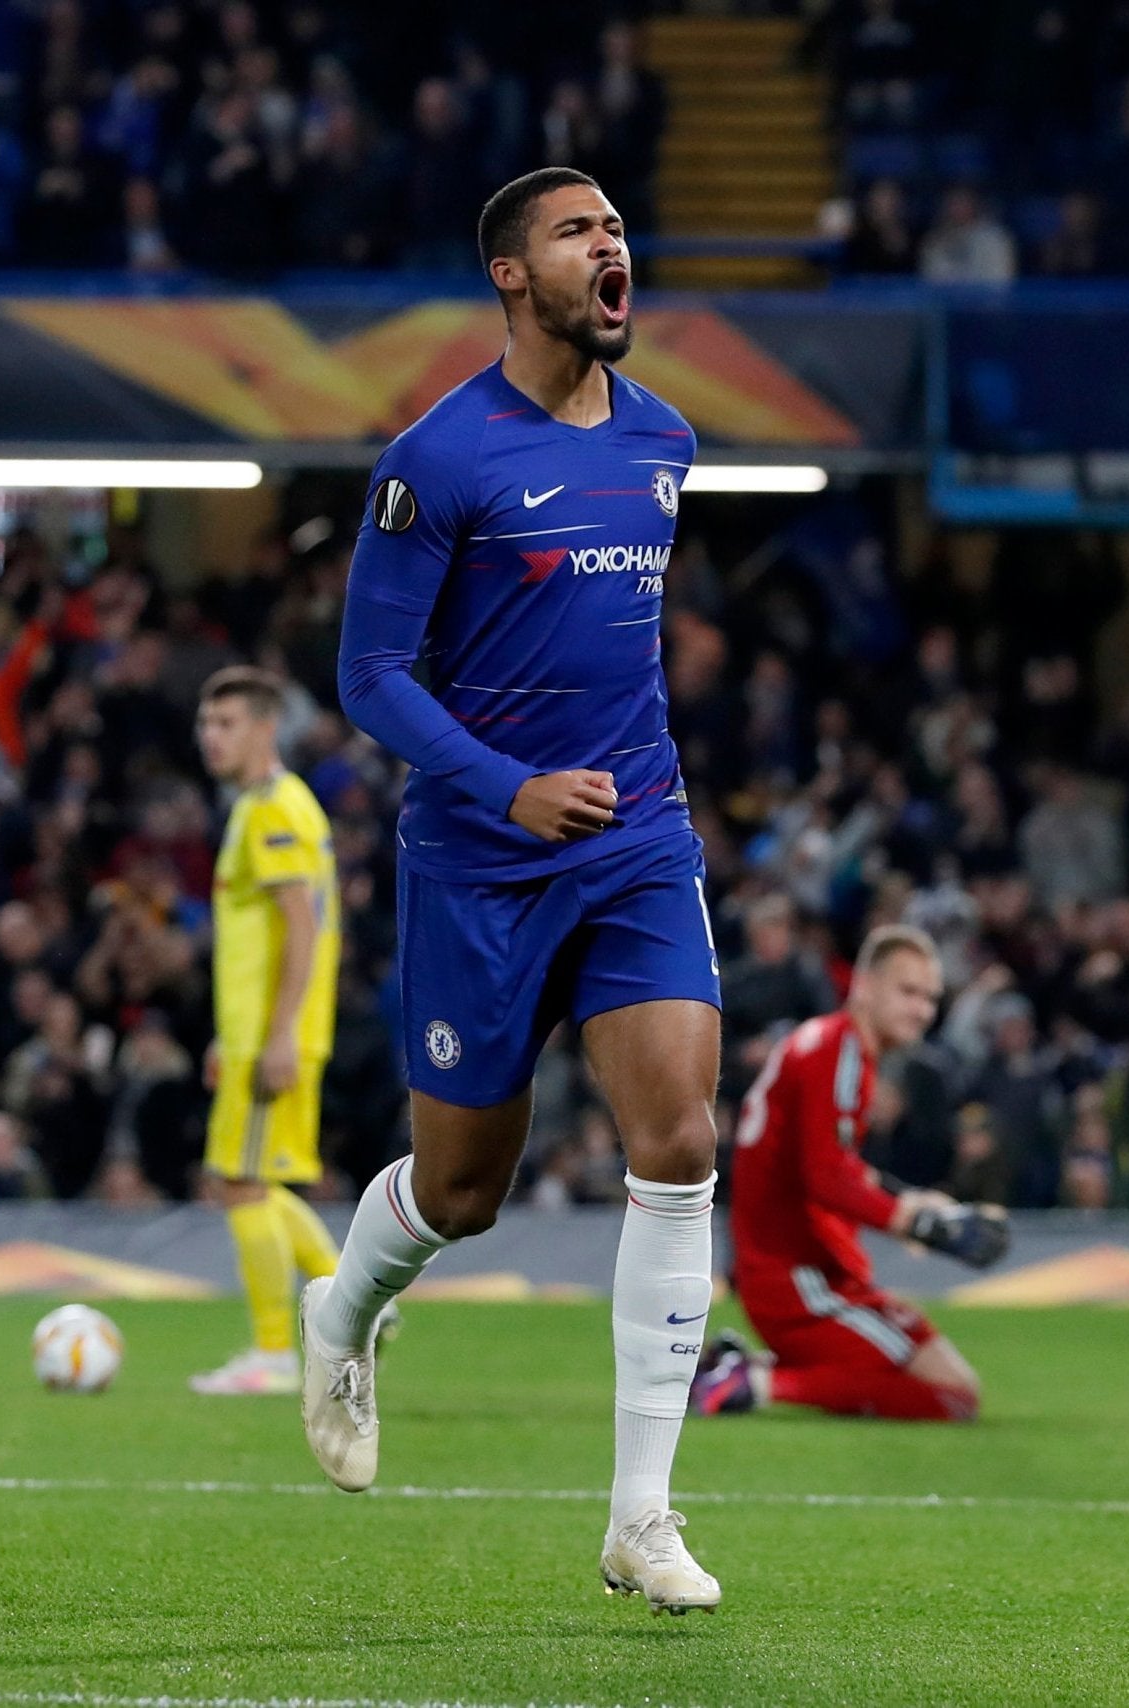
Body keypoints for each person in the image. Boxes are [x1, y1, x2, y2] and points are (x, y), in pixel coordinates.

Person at [316, 167, 725, 1617]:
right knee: (463, 1193)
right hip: (482, 862)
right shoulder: (441, 459)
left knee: (680, 1139)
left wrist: (611, 783)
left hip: (634, 843)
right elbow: (367, 676)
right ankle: (344, 1310)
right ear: (511, 274)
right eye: (578, 231)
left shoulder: (667, 440)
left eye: (617, 228)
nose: (613, 246)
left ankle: (641, 1519)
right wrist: (505, 784)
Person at [693, 926, 1009, 1422]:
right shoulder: (837, 1051)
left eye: (931, 997)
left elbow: (828, 1165)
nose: (923, 1010)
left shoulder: (829, 1047)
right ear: (864, 986)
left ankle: (741, 1370)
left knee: (948, 1388)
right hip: (801, 1279)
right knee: (952, 1395)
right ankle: (755, 1383)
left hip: (790, 1272)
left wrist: (914, 1201)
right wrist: (917, 1222)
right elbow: (827, 1176)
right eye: (908, 992)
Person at [187, 667, 355, 1396]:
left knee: (239, 1182)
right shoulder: (261, 805)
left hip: (275, 1032)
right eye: (205, 722)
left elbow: (301, 926)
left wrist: (279, 1032)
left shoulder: (276, 809)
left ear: (264, 728)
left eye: (225, 723)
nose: (209, 737)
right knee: (250, 1180)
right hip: (255, 1030)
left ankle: (273, 1353)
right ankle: (355, 1306)